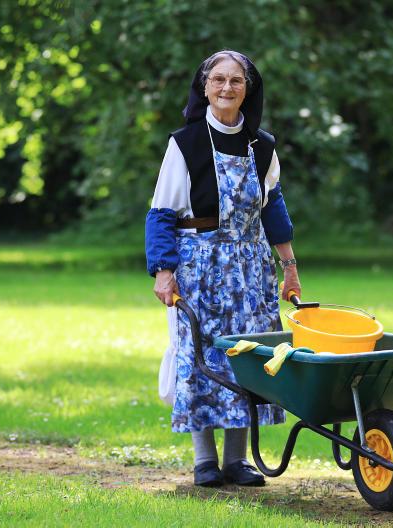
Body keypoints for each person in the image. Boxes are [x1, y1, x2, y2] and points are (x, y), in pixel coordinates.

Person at [145, 50, 301, 487]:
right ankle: (204, 462)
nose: (227, 88)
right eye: (218, 80)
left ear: (247, 88)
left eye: (236, 81)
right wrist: (163, 270)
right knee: (199, 356)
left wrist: (289, 268)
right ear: (204, 87)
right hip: (200, 264)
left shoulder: (262, 145)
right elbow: (160, 213)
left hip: (251, 269)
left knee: (248, 357)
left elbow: (274, 210)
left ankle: (237, 461)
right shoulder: (185, 142)